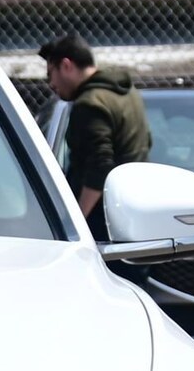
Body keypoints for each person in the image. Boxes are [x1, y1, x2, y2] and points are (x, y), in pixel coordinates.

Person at [36, 33, 150, 240]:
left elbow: (100, 166)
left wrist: (75, 223)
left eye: (50, 74)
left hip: (102, 221)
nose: (51, 84)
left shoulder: (89, 104)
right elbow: (145, 142)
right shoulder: (127, 93)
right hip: (133, 211)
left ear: (66, 66)